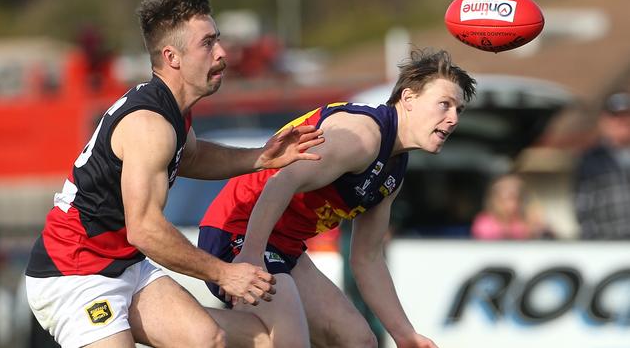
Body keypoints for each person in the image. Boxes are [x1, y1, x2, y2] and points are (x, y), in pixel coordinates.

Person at [24, 0, 324, 348]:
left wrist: (260, 157)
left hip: (124, 265)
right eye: (208, 44)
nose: (222, 54)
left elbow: (192, 156)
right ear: (172, 56)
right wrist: (224, 274)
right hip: (73, 272)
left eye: (218, 40)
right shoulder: (150, 125)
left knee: (209, 339)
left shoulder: (169, 110)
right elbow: (145, 231)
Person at [198, 48, 477, 348]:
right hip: (237, 232)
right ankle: (179, 325)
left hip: (283, 247)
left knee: (358, 341)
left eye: (458, 110)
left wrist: (404, 334)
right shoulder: (363, 136)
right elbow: (283, 180)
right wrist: (251, 255)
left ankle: (186, 326)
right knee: (289, 342)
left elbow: (367, 258)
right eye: (444, 105)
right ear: (408, 99)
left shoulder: (394, 168)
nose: (452, 119)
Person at [574, 91, 630, 239]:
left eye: (626, 115)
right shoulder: (591, 160)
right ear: (604, 121)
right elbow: (583, 210)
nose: (622, 121)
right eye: (616, 116)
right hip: (608, 247)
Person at [471, 173, 552, 240]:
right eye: (508, 198)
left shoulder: (523, 222)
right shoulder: (484, 222)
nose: (514, 202)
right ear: (496, 200)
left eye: (517, 197)